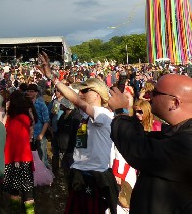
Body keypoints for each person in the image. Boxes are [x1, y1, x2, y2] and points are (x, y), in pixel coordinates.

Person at [38, 51, 118, 214]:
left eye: (85, 90)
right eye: (80, 91)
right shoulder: (86, 117)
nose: (80, 93)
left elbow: (76, 100)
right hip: (79, 174)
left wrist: (52, 78)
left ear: (96, 93)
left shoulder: (102, 114)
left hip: (95, 177)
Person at [109, 73, 192, 213]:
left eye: (155, 92)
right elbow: (144, 139)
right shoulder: (177, 133)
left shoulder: (187, 143)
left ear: (175, 103)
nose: (149, 96)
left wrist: (120, 112)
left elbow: (139, 149)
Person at [4, 90, 35, 214]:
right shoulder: (26, 119)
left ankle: (15, 211)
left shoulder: (11, 120)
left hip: (11, 159)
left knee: (14, 191)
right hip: (25, 158)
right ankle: (30, 213)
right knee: (28, 191)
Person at [25, 83, 51, 170]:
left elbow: (46, 121)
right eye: (28, 91)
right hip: (29, 135)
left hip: (39, 133)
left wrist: (41, 134)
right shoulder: (26, 103)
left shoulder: (41, 104)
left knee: (42, 157)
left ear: (36, 93)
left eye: (31, 91)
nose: (29, 93)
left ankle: (46, 178)